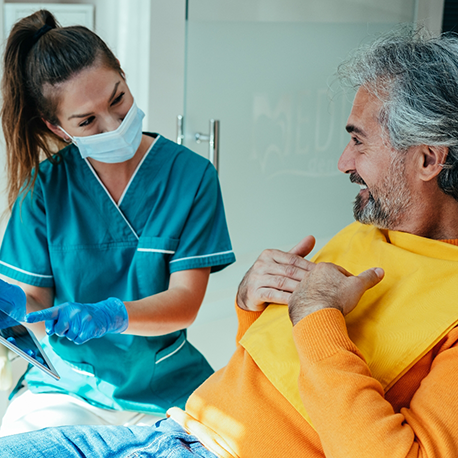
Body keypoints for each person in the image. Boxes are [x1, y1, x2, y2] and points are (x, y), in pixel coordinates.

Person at [2, 27, 458, 458]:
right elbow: (270, 367)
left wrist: (317, 315)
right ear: (58, 127)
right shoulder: (369, 227)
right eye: (86, 121)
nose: (342, 163)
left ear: (427, 159)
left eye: (358, 142)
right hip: (179, 427)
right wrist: (250, 305)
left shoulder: (447, 306)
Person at [0, 9, 235, 436]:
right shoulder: (44, 189)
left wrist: (113, 315)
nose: (115, 124)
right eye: (87, 121)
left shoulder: (192, 177)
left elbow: (185, 303)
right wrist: (14, 308)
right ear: (57, 127)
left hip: (167, 387)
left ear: (124, 78)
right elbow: (34, 300)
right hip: (69, 388)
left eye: (118, 98)